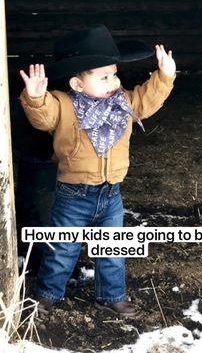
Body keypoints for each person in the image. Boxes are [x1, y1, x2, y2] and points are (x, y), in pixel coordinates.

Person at [19, 24, 176, 317]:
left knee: (113, 249)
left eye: (114, 74)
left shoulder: (124, 103)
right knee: (62, 249)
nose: (113, 81)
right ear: (78, 84)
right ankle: (48, 295)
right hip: (72, 195)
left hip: (111, 193)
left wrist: (164, 76)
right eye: (103, 77)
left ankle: (111, 295)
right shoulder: (63, 104)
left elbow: (147, 99)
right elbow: (43, 117)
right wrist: (36, 97)